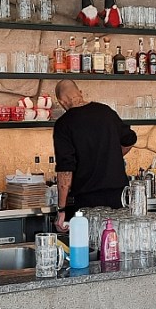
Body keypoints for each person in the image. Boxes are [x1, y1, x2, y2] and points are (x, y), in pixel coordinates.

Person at [52, 80, 137, 231]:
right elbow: (130, 139)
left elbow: (65, 171)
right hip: (119, 197)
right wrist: (112, 155)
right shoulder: (106, 112)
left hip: (87, 201)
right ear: (80, 93)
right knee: (116, 240)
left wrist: (62, 210)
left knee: (90, 241)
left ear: (61, 101)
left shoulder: (64, 124)